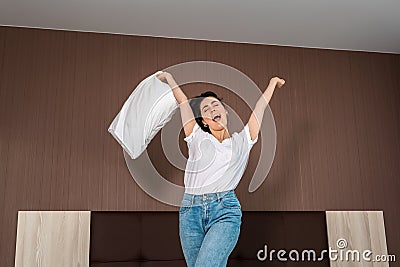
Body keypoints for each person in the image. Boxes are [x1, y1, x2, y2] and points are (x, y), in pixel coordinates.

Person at [156, 71, 285, 267]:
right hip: (190, 211)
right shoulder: (196, 136)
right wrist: (170, 79)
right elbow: (183, 101)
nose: (211, 108)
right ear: (203, 120)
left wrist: (272, 84)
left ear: (225, 111)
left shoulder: (243, 140)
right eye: (205, 109)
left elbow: (259, 108)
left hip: (224, 210)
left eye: (215, 105)